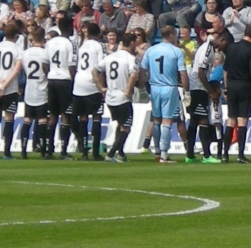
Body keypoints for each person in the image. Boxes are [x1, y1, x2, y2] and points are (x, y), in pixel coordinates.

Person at [140, 25, 189, 163]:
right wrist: (187, 91)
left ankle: (157, 150)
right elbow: (183, 74)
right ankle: (164, 154)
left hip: (154, 87)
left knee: (156, 119)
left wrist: (142, 88)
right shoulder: (176, 51)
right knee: (167, 120)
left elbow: (142, 70)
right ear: (171, 35)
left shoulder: (151, 50)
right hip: (169, 87)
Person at [184, 31, 231, 163]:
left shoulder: (206, 46)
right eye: (225, 44)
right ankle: (206, 155)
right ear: (222, 40)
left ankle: (190, 155)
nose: (223, 48)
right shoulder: (208, 48)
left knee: (194, 121)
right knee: (203, 120)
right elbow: (200, 71)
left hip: (195, 87)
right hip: (199, 87)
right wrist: (211, 91)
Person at [94, 31, 137, 162]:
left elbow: (95, 70)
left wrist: (101, 88)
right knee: (126, 127)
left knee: (121, 124)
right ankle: (111, 153)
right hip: (122, 97)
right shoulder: (130, 58)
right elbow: (133, 75)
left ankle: (121, 153)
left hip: (110, 97)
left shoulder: (110, 57)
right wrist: (128, 91)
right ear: (131, 43)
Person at [221, 24, 251, 163]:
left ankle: (225, 154)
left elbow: (225, 70)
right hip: (245, 86)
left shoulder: (231, 48)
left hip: (232, 85)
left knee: (231, 120)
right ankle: (241, 155)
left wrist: (226, 87)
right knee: (242, 120)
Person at [0, 22, 23, 159]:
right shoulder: (17, 49)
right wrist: (5, 84)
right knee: (9, 118)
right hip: (10, 88)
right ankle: (6, 152)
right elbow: (16, 70)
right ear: (16, 35)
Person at [71, 22, 105, 161]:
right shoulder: (98, 46)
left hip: (79, 83)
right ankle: (95, 153)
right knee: (96, 116)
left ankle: (84, 152)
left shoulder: (82, 46)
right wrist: (101, 87)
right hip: (92, 83)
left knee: (83, 118)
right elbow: (100, 68)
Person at [45, 17, 76, 158]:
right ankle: (63, 150)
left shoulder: (50, 42)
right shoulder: (70, 43)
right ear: (69, 28)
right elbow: (71, 66)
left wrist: (50, 74)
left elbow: (45, 63)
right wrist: (72, 81)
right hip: (65, 80)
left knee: (52, 115)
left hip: (52, 79)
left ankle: (48, 150)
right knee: (65, 115)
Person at [18, 27, 49, 159]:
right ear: (43, 38)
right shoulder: (45, 53)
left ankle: (23, 151)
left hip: (29, 90)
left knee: (27, 120)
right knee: (42, 120)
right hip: (42, 89)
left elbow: (23, 70)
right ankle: (43, 151)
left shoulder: (25, 53)